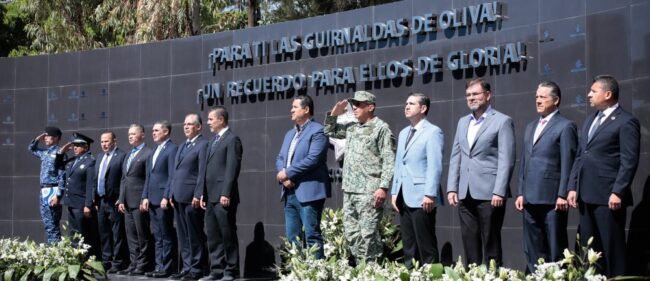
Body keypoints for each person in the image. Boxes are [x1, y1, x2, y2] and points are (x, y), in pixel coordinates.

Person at [567, 75, 640, 277]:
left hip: (608, 198)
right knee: (589, 253)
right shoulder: (590, 119)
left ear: (608, 94)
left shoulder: (626, 122)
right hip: (585, 195)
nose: (588, 94)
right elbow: (581, 156)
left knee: (612, 249)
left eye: (593, 91)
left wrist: (618, 191)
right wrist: (572, 186)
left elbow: (629, 161)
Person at [447, 78, 515, 266]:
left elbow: (506, 159)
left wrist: (499, 190)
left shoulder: (502, 121)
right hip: (465, 192)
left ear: (487, 95)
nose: (471, 98)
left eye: (475, 94)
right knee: (469, 243)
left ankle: (493, 277)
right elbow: (456, 156)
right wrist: (452, 187)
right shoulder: (463, 122)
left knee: (491, 243)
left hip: (490, 193)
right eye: (468, 95)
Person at [323, 90, 395, 263]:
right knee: (352, 232)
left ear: (370, 107)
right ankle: (363, 266)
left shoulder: (381, 128)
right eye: (353, 105)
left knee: (369, 233)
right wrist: (334, 113)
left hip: (369, 190)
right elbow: (328, 131)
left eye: (359, 105)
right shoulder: (352, 127)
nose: (354, 108)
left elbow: (389, 159)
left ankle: (373, 268)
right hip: (350, 189)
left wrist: (383, 187)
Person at [515, 81, 577, 273]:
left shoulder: (566, 126)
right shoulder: (531, 126)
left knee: (555, 245)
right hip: (529, 197)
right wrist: (520, 192)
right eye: (536, 97)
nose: (538, 101)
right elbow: (525, 162)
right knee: (533, 245)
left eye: (543, 97)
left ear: (556, 100)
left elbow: (568, 162)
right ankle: (537, 276)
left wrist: (563, 193)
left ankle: (558, 277)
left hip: (552, 198)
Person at [390, 93, 444, 269]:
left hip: (422, 198)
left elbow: (434, 166)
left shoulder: (433, 132)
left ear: (423, 108)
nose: (406, 106)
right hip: (404, 196)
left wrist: (430, 193)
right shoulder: (404, 132)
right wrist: (394, 192)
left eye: (411, 104)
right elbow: (399, 165)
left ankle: (432, 276)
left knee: (426, 245)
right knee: (409, 246)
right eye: (406, 103)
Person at [276, 95, 330, 259]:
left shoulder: (318, 130)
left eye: (295, 107)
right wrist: (283, 176)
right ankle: (298, 273)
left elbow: (313, 159)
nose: (291, 110)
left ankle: (315, 275)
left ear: (306, 110)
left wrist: (288, 172)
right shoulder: (289, 134)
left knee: (312, 236)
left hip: (309, 192)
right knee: (293, 238)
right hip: (289, 193)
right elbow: (280, 158)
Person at [199, 106, 243, 281]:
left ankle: (230, 270)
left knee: (227, 233)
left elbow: (232, 169)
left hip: (224, 196)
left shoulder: (232, 140)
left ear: (221, 120)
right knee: (213, 234)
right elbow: (207, 170)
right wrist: (203, 193)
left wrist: (226, 193)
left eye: (211, 119)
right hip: (210, 196)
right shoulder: (213, 141)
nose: (208, 122)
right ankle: (216, 269)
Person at [169, 113, 209, 280]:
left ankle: (197, 268)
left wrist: (198, 194)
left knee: (194, 235)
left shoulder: (203, 145)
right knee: (183, 235)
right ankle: (186, 267)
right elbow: (175, 173)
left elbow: (202, 173)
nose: (186, 127)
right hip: (178, 197)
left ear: (198, 127)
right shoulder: (182, 146)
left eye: (190, 124)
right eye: (184, 124)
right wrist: (171, 193)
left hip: (191, 197)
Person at [142, 120, 178, 278]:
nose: (153, 133)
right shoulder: (154, 150)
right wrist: (144, 196)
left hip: (162, 200)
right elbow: (149, 176)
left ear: (166, 132)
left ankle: (167, 267)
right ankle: (158, 266)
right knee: (157, 235)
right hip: (151, 199)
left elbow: (172, 175)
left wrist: (166, 196)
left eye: (157, 130)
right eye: (153, 130)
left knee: (166, 234)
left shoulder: (172, 149)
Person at [56, 132, 101, 258]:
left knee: (82, 233)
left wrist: (88, 205)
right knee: (73, 233)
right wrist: (61, 152)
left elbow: (90, 185)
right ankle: (76, 257)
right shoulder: (74, 161)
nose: (74, 148)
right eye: (74, 145)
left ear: (86, 147)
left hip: (81, 205)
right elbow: (59, 165)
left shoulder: (90, 161)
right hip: (71, 202)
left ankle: (85, 259)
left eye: (78, 145)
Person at [117, 124, 154, 275]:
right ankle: (133, 263)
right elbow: (123, 179)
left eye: (133, 133)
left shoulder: (148, 153)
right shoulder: (128, 154)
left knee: (142, 234)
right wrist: (120, 199)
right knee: (131, 236)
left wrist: (145, 197)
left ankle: (143, 264)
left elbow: (148, 178)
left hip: (139, 201)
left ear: (142, 135)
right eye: (129, 134)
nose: (130, 136)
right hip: (126, 202)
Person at [94, 130, 129, 273]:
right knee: (104, 233)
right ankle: (106, 261)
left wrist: (121, 198)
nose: (104, 144)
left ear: (114, 141)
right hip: (101, 201)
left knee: (117, 233)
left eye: (107, 141)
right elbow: (95, 179)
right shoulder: (99, 156)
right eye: (102, 141)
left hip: (114, 201)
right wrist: (94, 199)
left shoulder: (121, 156)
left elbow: (124, 179)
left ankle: (118, 262)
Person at [28, 126, 64, 244]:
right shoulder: (45, 153)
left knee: (53, 223)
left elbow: (62, 176)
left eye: (49, 136)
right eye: (45, 136)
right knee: (48, 224)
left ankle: (56, 252)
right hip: (44, 191)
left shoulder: (60, 153)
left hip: (53, 191)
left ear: (56, 138)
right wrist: (38, 138)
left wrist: (58, 195)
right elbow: (31, 148)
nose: (46, 138)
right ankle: (53, 252)